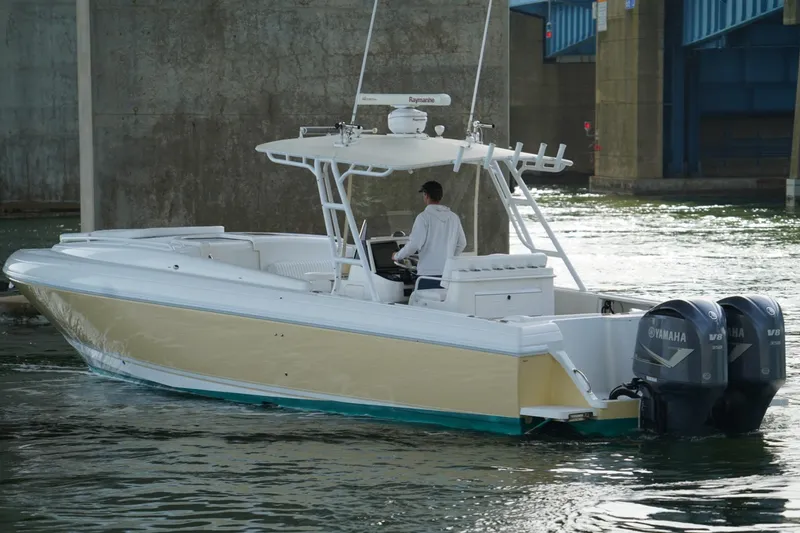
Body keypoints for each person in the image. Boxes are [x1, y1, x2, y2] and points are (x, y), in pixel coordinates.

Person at [392, 180, 467, 289]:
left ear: (426, 195)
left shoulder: (423, 218)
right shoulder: (453, 217)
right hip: (447, 275)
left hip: (427, 276)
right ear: (440, 196)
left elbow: (414, 245)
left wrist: (397, 256)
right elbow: (462, 243)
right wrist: (448, 258)